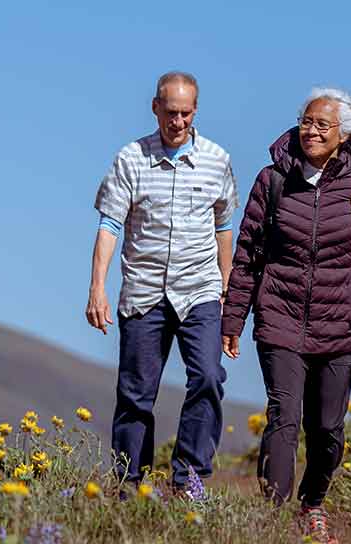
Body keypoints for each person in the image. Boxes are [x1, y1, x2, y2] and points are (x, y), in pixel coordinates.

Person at [220, 87, 351, 544]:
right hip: (280, 317)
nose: (312, 130)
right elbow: (247, 256)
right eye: (307, 121)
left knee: (328, 430)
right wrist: (233, 319)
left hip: (341, 325)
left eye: (323, 125)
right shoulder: (273, 180)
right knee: (283, 416)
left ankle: (312, 503)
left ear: (344, 134)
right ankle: (276, 520)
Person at [87, 71, 237, 500]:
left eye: (186, 114)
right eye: (171, 113)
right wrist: (97, 286)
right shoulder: (130, 159)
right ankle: (128, 485)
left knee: (208, 377)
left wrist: (228, 289)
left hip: (201, 289)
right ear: (155, 108)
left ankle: (189, 481)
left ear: (195, 112)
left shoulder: (217, 160)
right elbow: (110, 224)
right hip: (145, 290)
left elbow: (224, 224)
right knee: (136, 392)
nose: (178, 122)